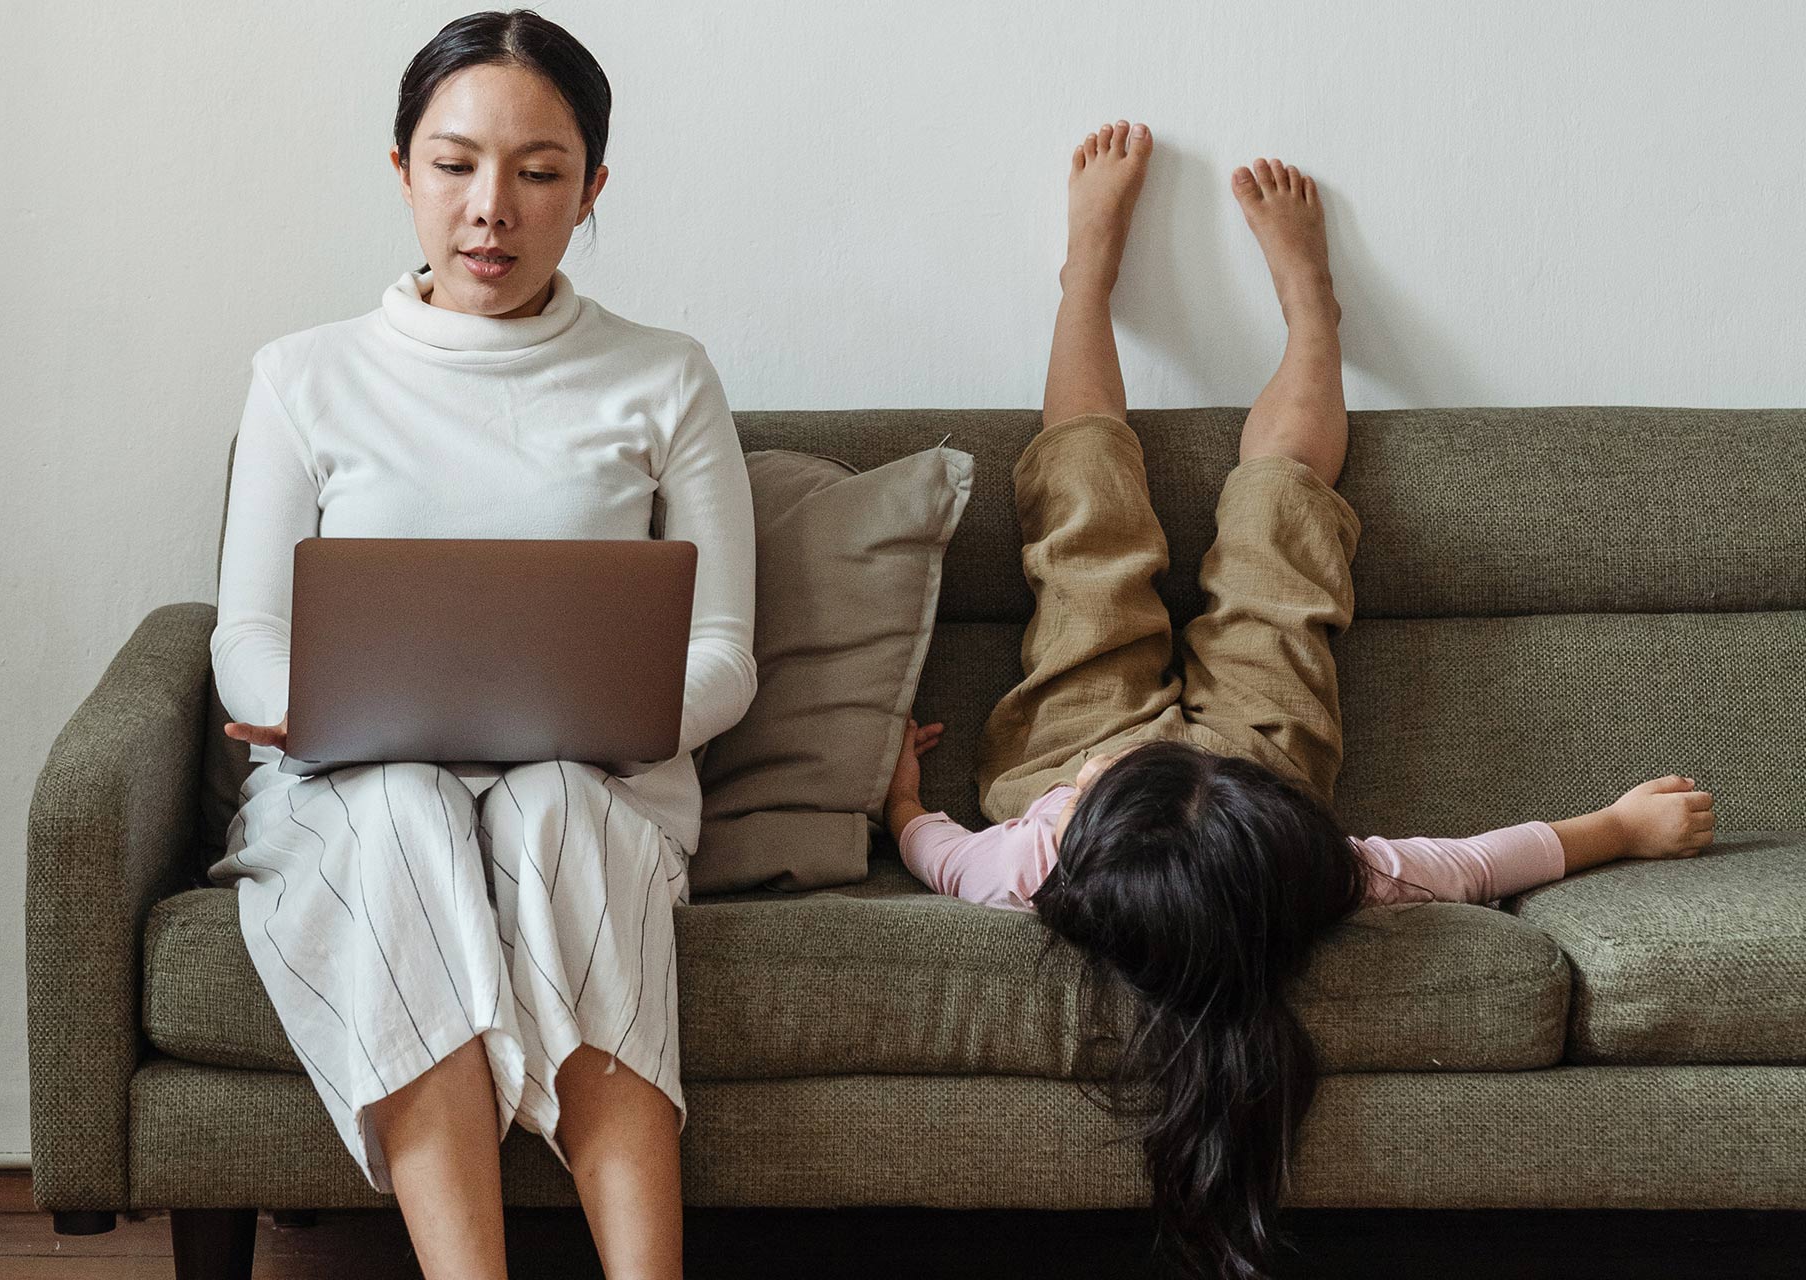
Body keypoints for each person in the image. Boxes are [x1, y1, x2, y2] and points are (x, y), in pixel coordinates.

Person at [881, 120, 1718, 1280]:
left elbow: (938, 854)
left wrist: (903, 795)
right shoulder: (1308, 866)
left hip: (1078, 747)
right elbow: (1479, 861)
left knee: (1083, 522)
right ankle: (1314, 312)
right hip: (1251, 763)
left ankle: (1085, 280)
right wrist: (1620, 827)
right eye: (1089, 797)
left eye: (1079, 808)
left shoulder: (1029, 862)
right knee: (1282, 518)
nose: (1094, 781)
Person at [206, 11, 756, 1278]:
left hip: (599, 786)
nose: (490, 209)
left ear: (593, 189)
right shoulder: (305, 376)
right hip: (356, 791)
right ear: (401, 170)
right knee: (404, 809)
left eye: (540, 172)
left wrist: (611, 714)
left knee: (554, 804)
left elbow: (723, 651)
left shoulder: (665, 378)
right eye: (453, 166)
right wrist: (304, 703)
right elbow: (247, 633)